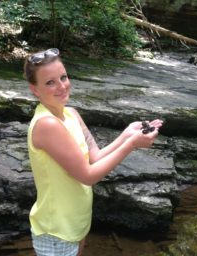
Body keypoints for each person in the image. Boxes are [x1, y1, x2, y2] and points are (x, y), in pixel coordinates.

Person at [24, 48, 163, 256]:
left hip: (76, 223)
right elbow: (88, 176)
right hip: (56, 232)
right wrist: (131, 144)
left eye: (63, 77)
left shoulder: (71, 114)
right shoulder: (47, 125)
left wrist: (126, 134)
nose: (62, 86)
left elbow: (94, 158)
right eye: (50, 82)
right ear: (35, 89)